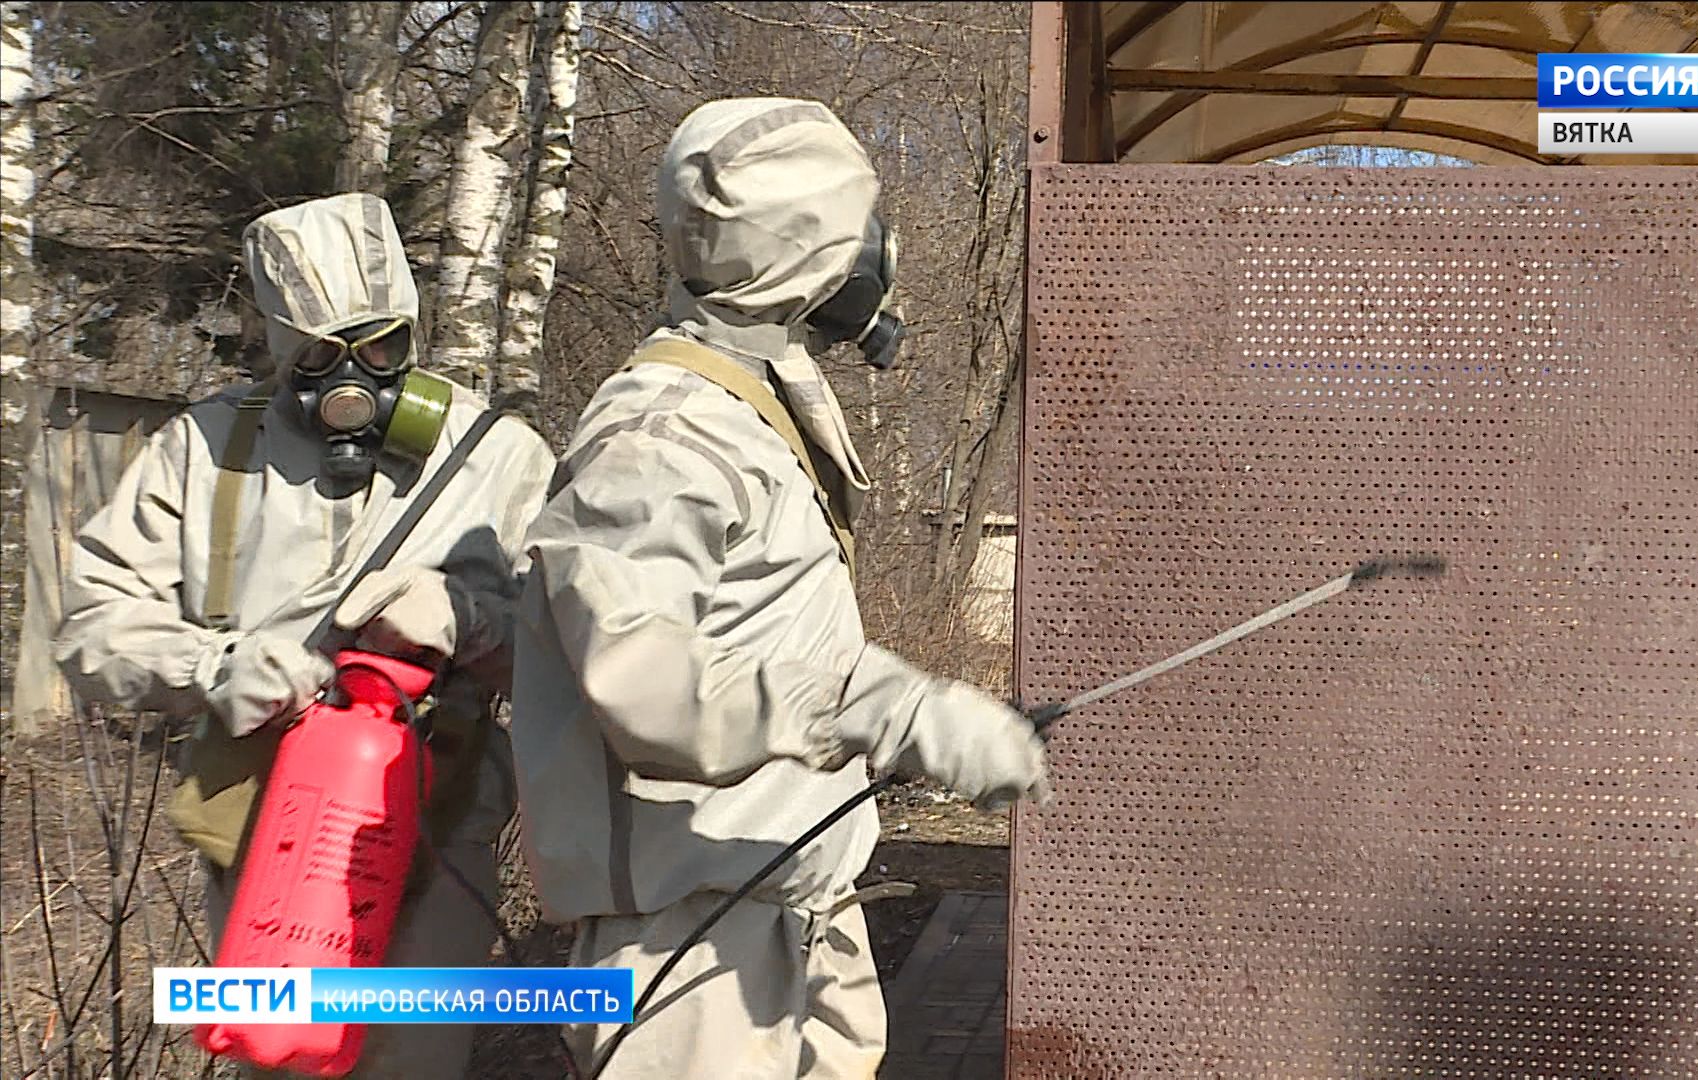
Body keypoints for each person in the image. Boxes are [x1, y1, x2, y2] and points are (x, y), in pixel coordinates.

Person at [511, 97, 1052, 1078]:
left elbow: (764, 636)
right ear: (805, 251)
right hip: (693, 947)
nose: (879, 254)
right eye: (860, 227)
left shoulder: (746, 409)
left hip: (784, 904)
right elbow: (642, 679)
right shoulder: (663, 436)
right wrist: (887, 709)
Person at [54, 193, 556, 1079]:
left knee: (411, 1064)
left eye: (384, 345)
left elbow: (577, 653)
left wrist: (473, 623)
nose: (356, 377)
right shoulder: (206, 448)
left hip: (437, 821)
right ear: (280, 349)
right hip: (263, 827)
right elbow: (92, 623)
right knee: (280, 1060)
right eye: (322, 354)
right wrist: (212, 666)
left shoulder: (500, 457)